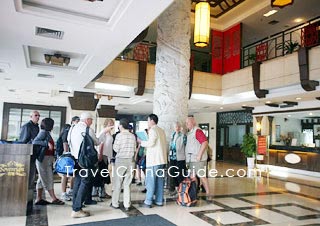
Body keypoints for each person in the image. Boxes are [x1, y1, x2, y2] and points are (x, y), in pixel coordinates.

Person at [68, 112, 112, 218]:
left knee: (78, 182)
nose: (92, 122)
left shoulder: (72, 128)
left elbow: (68, 141)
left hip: (75, 159)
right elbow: (97, 142)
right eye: (91, 120)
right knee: (85, 182)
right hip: (85, 161)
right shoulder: (87, 130)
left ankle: (76, 206)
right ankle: (77, 209)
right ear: (87, 120)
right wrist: (103, 132)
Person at [33, 118, 64, 205]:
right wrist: (46, 144)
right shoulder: (43, 132)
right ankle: (53, 198)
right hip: (43, 159)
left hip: (46, 159)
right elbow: (35, 141)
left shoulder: (46, 133)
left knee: (41, 178)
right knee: (47, 178)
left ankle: (38, 198)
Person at [138, 114, 167, 208]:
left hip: (154, 160)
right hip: (161, 160)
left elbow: (151, 143)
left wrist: (141, 142)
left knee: (151, 181)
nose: (147, 122)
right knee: (159, 181)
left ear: (151, 120)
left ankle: (148, 201)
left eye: (148, 120)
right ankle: (159, 201)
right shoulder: (161, 130)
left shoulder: (153, 130)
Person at [110, 118, 136, 211]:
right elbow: (134, 148)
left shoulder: (119, 136)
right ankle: (127, 204)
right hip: (130, 161)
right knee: (127, 183)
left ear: (121, 125)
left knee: (118, 182)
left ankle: (115, 203)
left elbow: (116, 149)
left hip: (120, 160)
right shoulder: (133, 136)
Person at [19, 110, 40, 205]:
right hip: (27, 154)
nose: (38, 117)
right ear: (30, 116)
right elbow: (23, 142)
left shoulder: (37, 127)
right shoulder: (26, 126)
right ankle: (24, 196)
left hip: (34, 154)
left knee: (32, 176)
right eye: (36, 115)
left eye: (38, 115)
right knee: (27, 175)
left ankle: (29, 195)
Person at [185, 116, 210, 196]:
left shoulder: (197, 131)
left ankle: (208, 193)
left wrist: (199, 155)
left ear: (193, 122)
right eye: (186, 123)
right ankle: (194, 193)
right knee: (193, 177)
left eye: (187, 123)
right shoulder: (190, 132)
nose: (186, 124)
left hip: (198, 159)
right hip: (192, 159)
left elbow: (205, 142)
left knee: (202, 177)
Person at [92, 118, 114, 199]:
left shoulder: (109, 133)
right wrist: (100, 155)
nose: (111, 124)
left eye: (112, 123)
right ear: (106, 124)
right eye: (109, 123)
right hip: (103, 155)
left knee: (103, 173)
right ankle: (100, 191)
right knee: (102, 173)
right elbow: (101, 144)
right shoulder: (104, 131)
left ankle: (101, 191)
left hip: (106, 155)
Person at [59, 116, 79, 201]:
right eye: (77, 121)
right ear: (73, 121)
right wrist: (66, 154)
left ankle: (71, 190)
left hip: (72, 155)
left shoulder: (75, 131)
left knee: (72, 174)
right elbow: (65, 143)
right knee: (65, 175)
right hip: (67, 156)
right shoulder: (68, 130)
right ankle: (63, 193)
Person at [168, 122, 187, 196]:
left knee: (180, 175)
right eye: (176, 126)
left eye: (178, 126)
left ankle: (181, 190)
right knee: (173, 173)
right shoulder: (172, 135)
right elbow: (170, 146)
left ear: (180, 127)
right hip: (173, 157)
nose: (177, 128)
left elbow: (185, 146)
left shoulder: (183, 136)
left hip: (180, 158)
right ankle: (176, 189)